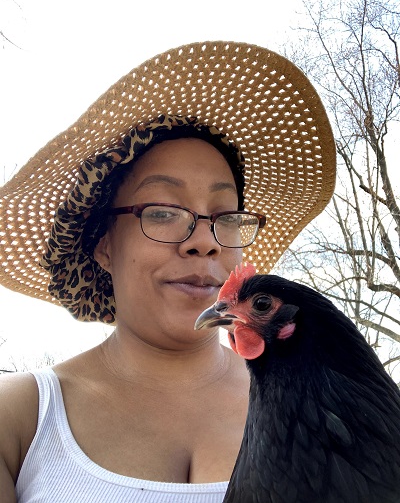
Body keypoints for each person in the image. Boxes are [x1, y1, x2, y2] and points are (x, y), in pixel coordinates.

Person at [0, 41, 336, 502]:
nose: (207, 240)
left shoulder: (333, 411)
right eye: (162, 211)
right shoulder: (19, 418)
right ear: (102, 243)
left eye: (227, 216)